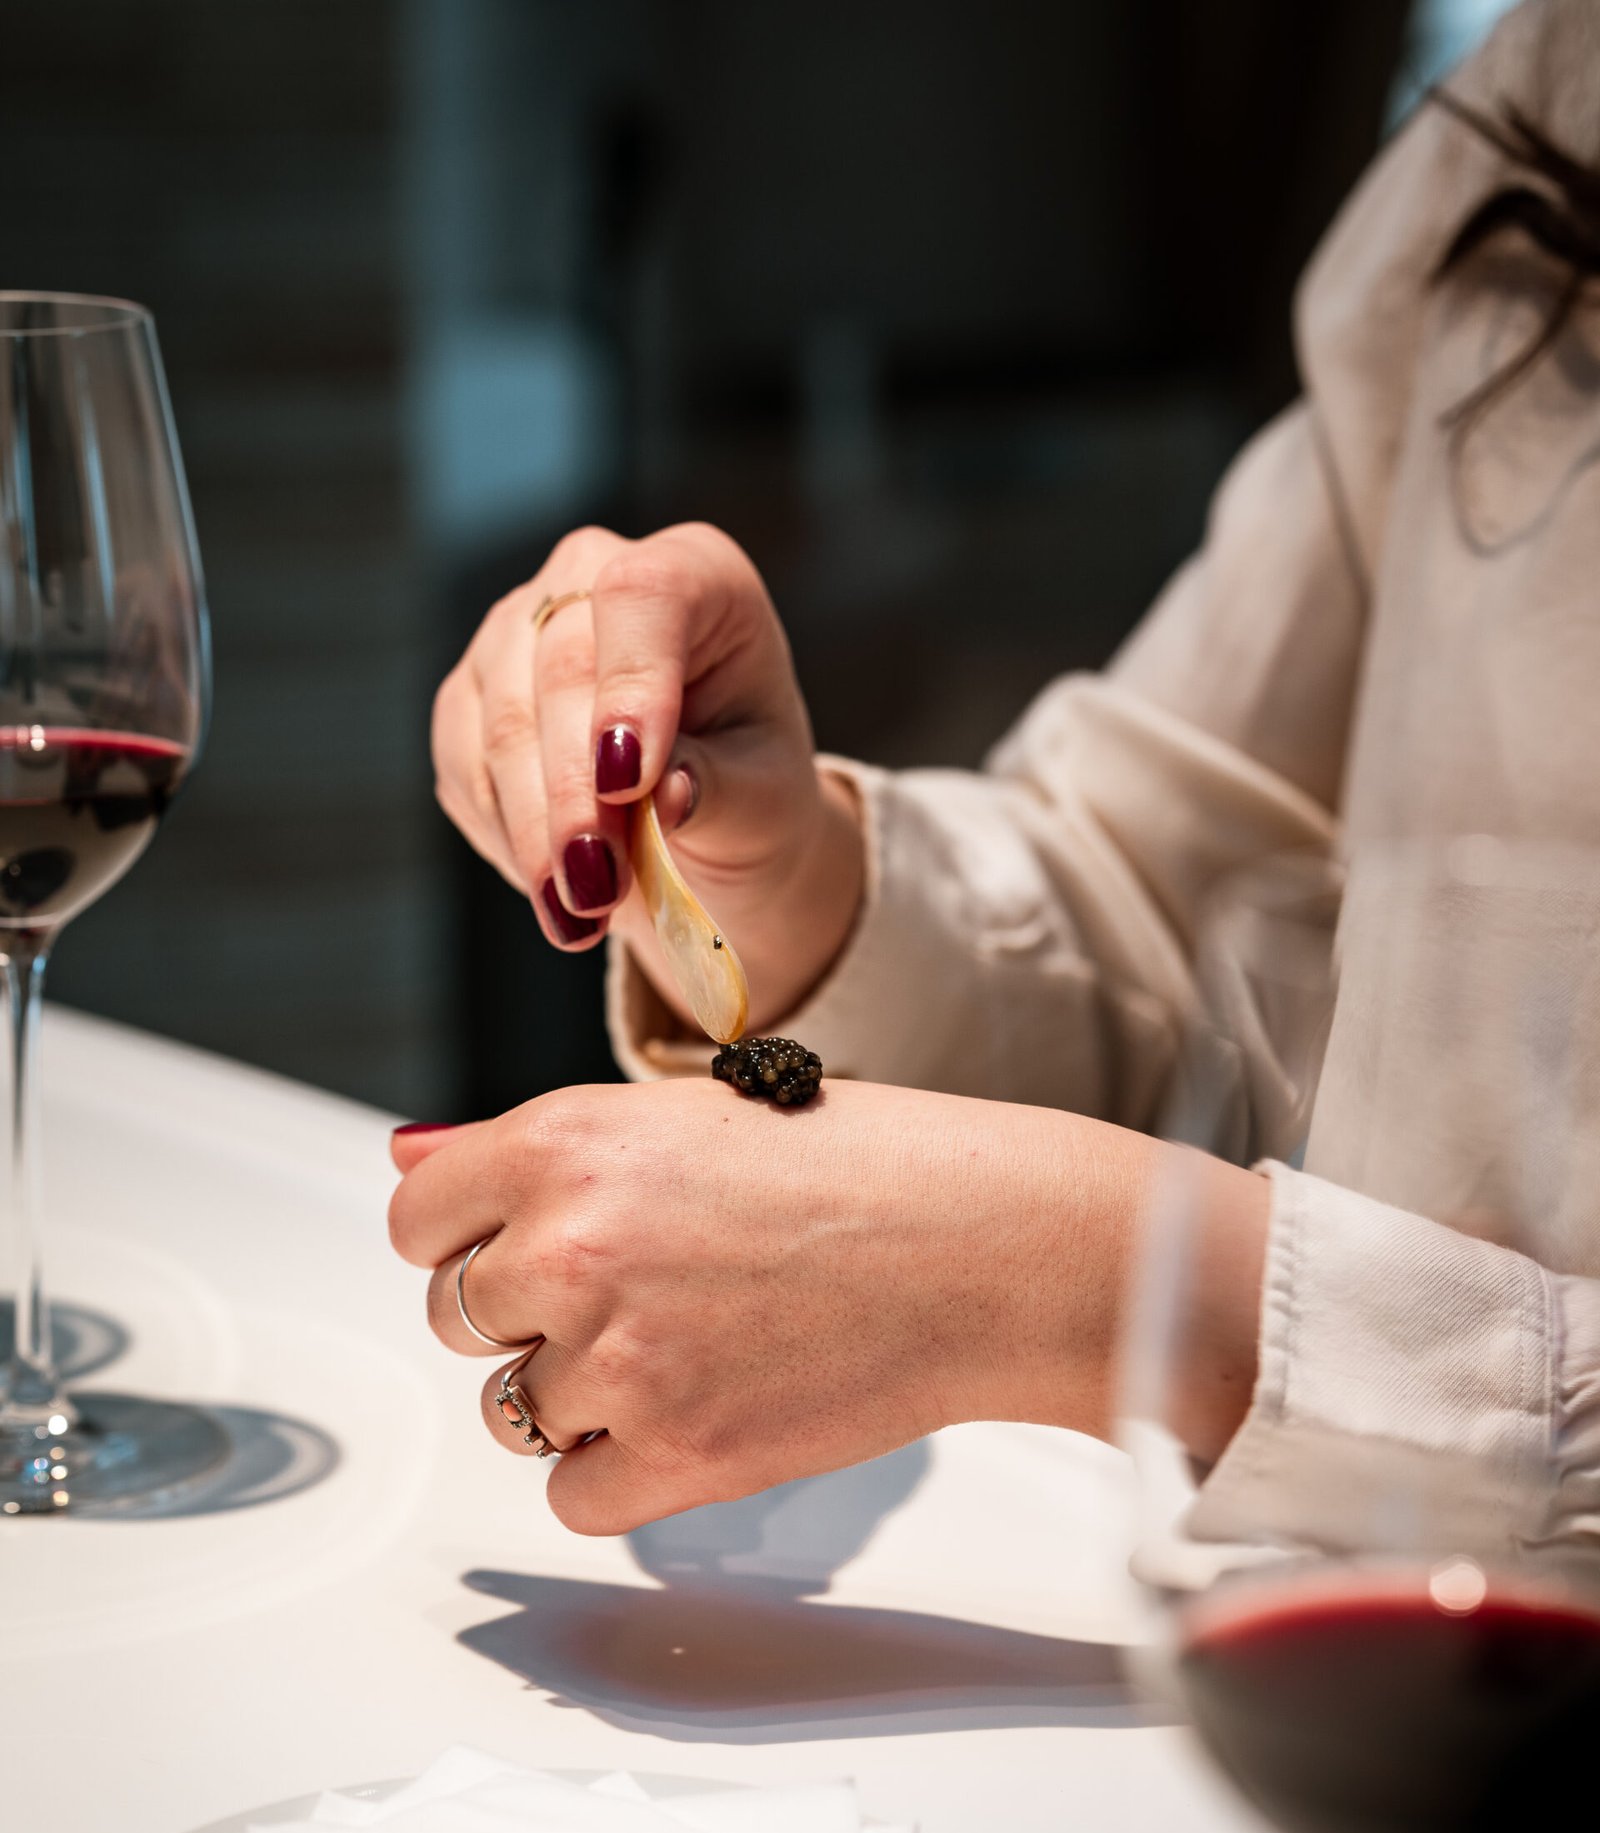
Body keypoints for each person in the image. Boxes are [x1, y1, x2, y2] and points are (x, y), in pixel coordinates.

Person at [389, 0, 1600, 1547]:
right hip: (1298, 1653)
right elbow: (1162, 901)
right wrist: (801, 877)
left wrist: (1108, 1295)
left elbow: (1090, 1231)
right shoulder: (1538, 121)